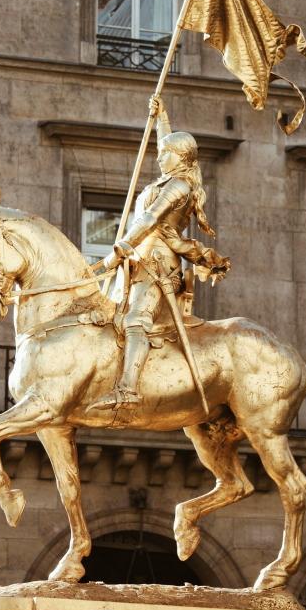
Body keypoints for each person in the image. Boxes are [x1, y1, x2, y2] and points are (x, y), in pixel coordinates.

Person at [90, 96, 230, 411]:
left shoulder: (179, 186)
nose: (158, 158)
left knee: (136, 320)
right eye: (159, 152)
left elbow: (151, 218)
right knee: (110, 313)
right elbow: (166, 144)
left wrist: (122, 246)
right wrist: (161, 118)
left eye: (164, 154)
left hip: (158, 262)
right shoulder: (171, 177)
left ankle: (127, 389)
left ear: (180, 158)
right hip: (141, 256)